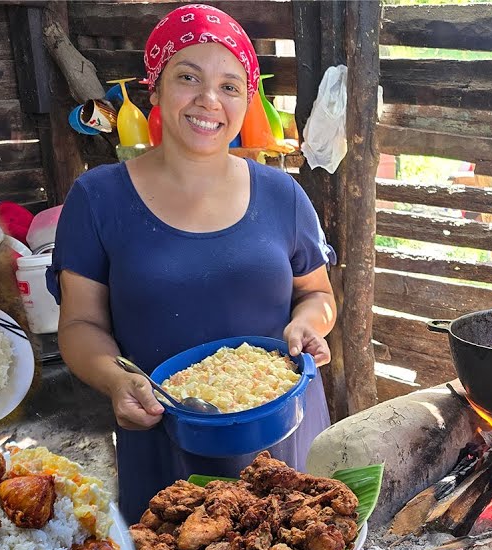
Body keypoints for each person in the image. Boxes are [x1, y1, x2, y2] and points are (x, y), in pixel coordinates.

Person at [47, 4, 337, 523]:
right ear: (153, 89)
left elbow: (317, 296)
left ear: (246, 101)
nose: (209, 100)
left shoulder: (282, 194)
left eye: (230, 86)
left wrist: (307, 326)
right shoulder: (98, 199)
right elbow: (81, 324)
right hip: (168, 443)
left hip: (285, 434)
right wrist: (115, 380)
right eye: (188, 78)